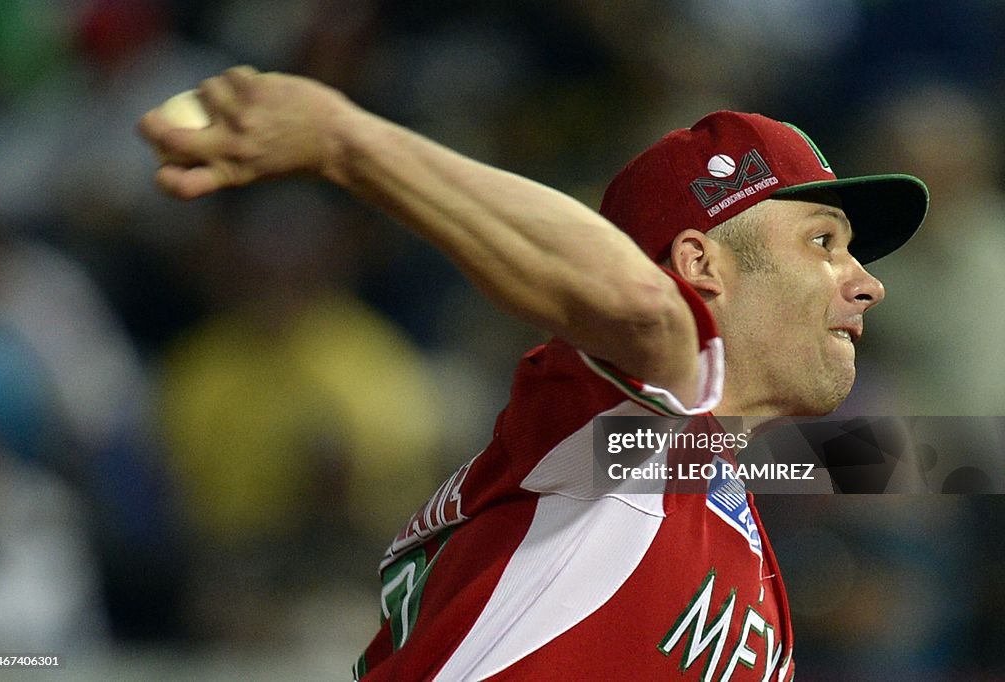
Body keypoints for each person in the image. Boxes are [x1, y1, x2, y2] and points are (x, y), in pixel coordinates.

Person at [139, 66, 928, 681]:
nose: (867, 281)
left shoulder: (718, 506)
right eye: (823, 242)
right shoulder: (632, 437)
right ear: (699, 266)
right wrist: (343, 142)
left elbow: (926, 459)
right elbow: (642, 310)